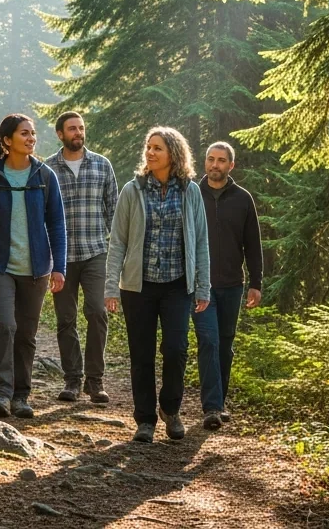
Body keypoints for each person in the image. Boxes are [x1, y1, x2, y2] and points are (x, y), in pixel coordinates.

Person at [105, 126, 210, 443]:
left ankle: (171, 409)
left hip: (178, 285)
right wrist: (111, 287)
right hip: (138, 286)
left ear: (174, 155)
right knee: (142, 353)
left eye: (157, 148)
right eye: (148, 147)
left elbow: (201, 242)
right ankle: (146, 420)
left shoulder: (190, 191)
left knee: (176, 349)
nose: (150, 153)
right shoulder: (132, 190)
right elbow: (118, 243)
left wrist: (202, 287)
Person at [0, 114, 68, 419]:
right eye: (24, 133)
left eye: (33, 133)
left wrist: (59, 266)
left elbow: (57, 225)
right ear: (7, 141)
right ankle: (0, 394)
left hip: (36, 269)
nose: (31, 138)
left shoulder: (45, 176)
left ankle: (21, 396)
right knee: (5, 326)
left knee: (26, 333)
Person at [45, 111, 119, 404]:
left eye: (81, 128)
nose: (78, 132)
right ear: (60, 134)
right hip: (61, 258)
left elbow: (114, 212)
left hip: (95, 253)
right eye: (72, 129)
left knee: (97, 312)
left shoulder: (102, 165)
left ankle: (95, 380)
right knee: (65, 319)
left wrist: (119, 256)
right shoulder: (48, 169)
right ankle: (72, 380)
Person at [192, 141, 264, 430]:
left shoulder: (243, 199)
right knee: (208, 340)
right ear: (205, 162)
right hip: (200, 285)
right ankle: (211, 407)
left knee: (224, 344)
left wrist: (256, 282)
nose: (215, 165)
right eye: (211, 159)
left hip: (233, 284)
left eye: (221, 160)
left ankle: (219, 402)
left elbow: (253, 244)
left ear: (231, 165)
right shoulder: (192, 193)